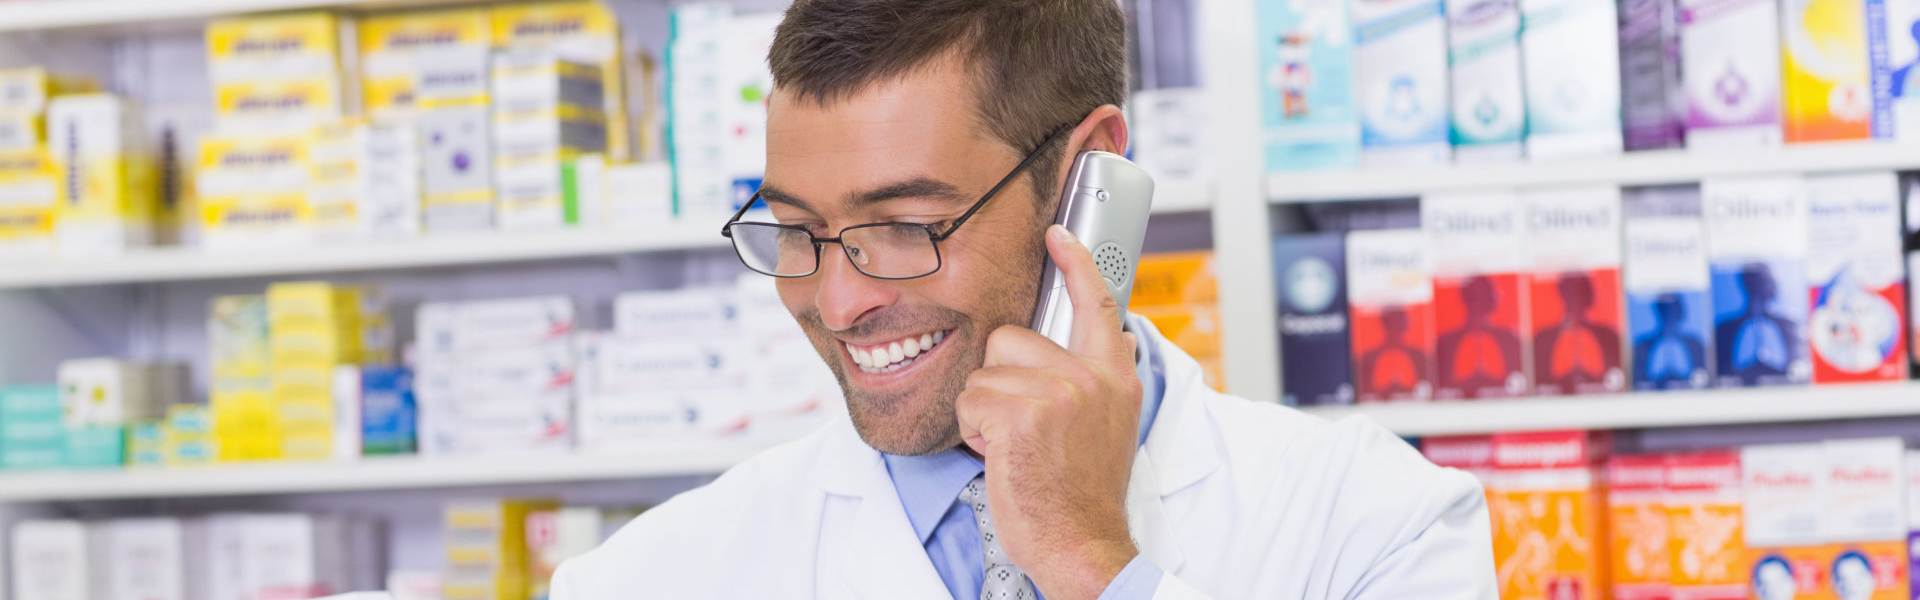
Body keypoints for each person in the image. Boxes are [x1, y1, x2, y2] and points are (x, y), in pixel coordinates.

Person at [551, 1, 1494, 598]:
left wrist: (1091, 563)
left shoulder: (1375, 521)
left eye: (907, 224)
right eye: (795, 228)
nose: (837, 301)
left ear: (1091, 176)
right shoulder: (646, 577)